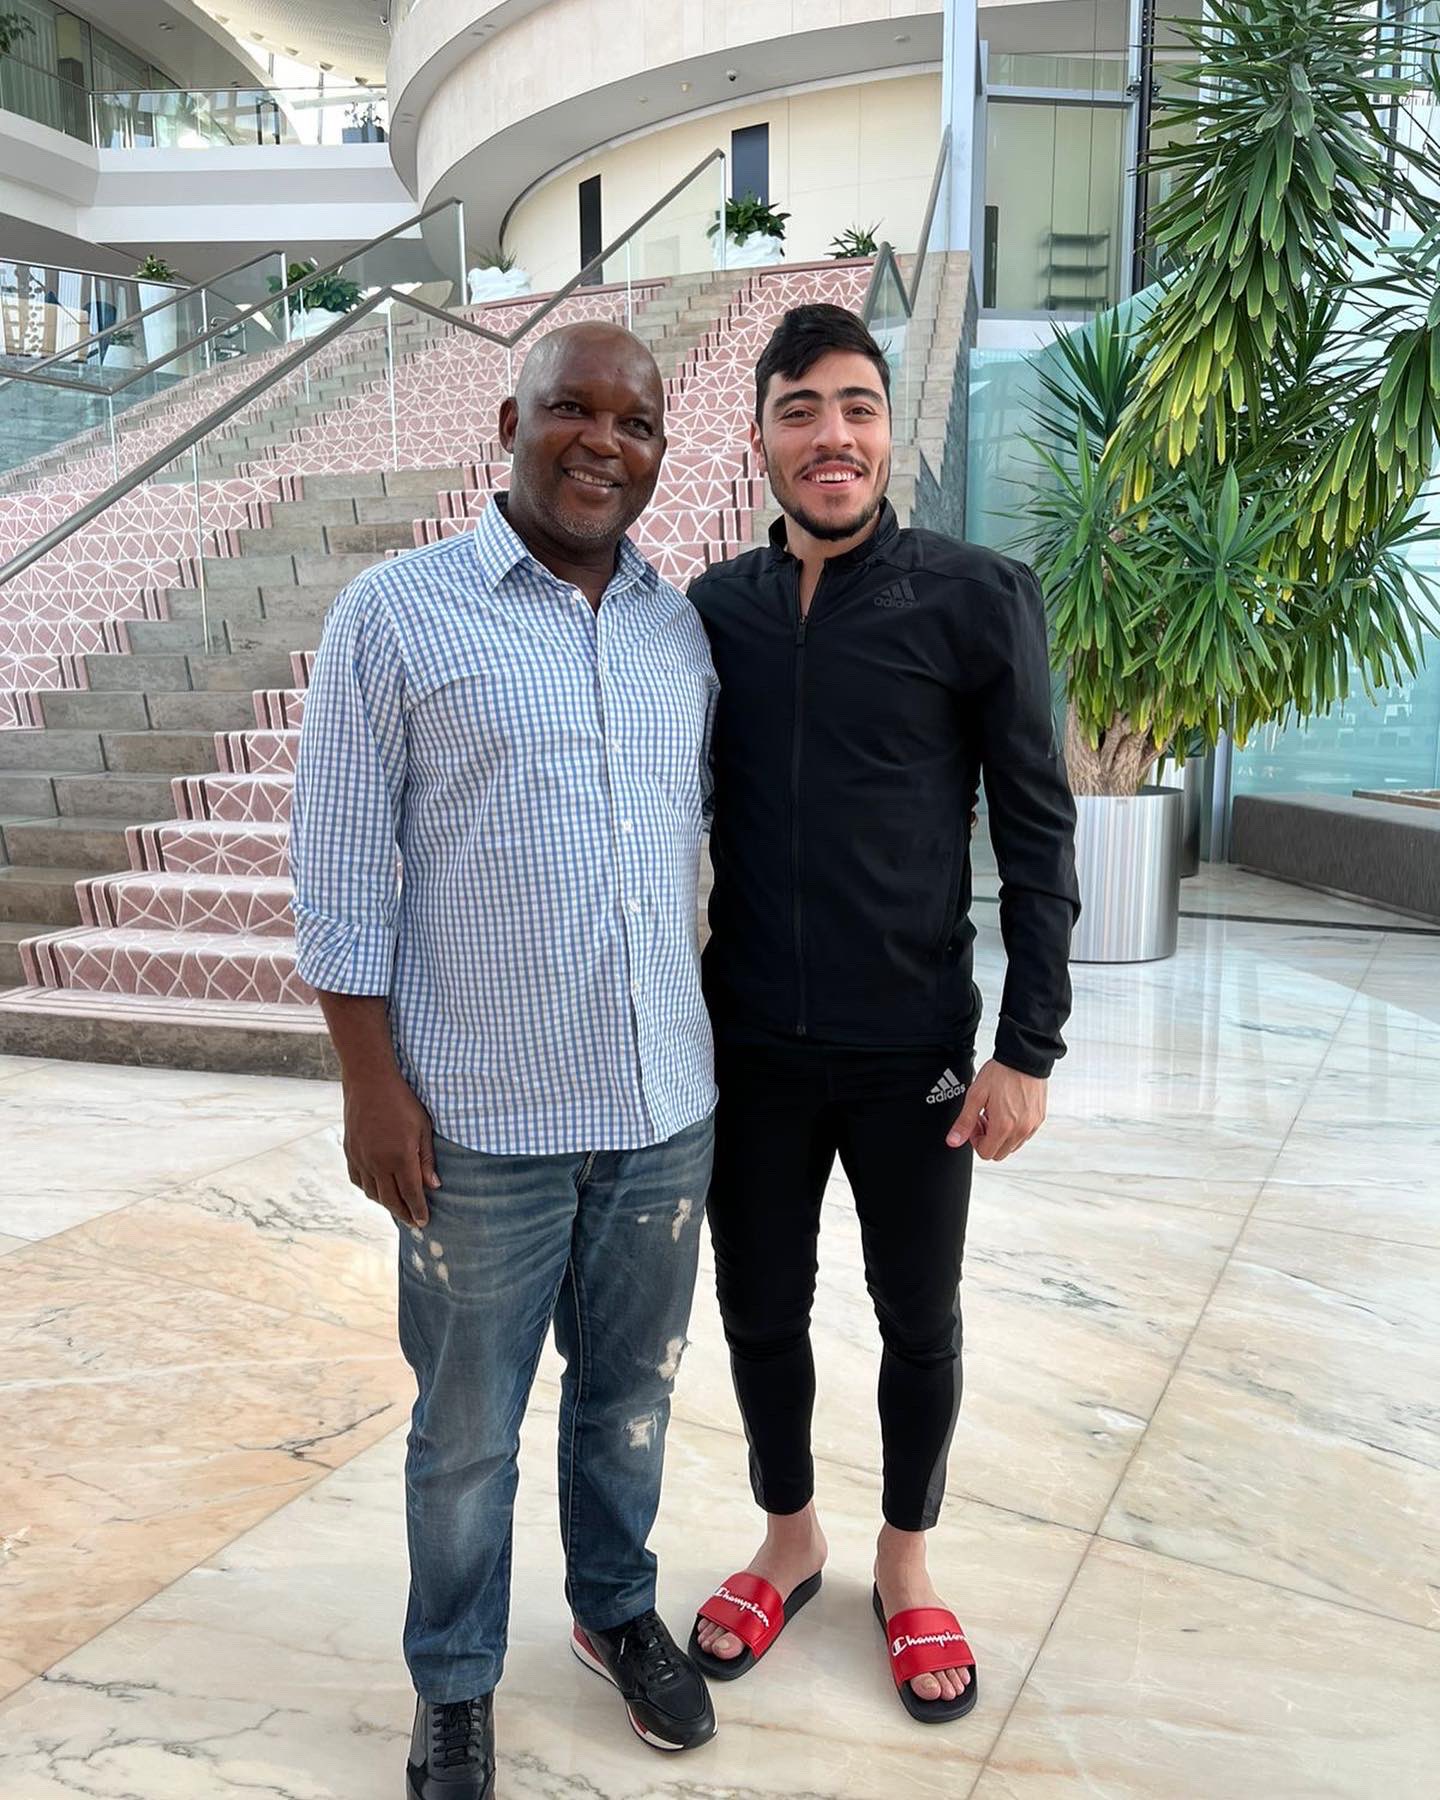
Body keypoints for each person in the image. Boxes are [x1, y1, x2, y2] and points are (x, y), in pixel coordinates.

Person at [291, 322, 720, 1800]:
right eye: (571, 410)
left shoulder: (678, 631)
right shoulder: (397, 615)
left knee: (632, 1398)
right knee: (467, 1433)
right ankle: (456, 1681)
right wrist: (371, 1086)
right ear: (508, 421)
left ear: (660, 450)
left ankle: (614, 1610)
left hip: (663, 1109)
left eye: (636, 422)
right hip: (479, 1122)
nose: (604, 442)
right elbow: (340, 873)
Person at [686, 304, 1079, 1723]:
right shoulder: (711, 612)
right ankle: (790, 1539)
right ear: (761, 439)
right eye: (799, 410)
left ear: (888, 430)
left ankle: (905, 1562)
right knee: (758, 1306)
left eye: (855, 406)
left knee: (918, 1314)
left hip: (913, 1044)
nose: (831, 436)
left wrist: (1027, 1046)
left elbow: (1037, 831)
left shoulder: (976, 596)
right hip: (750, 1046)